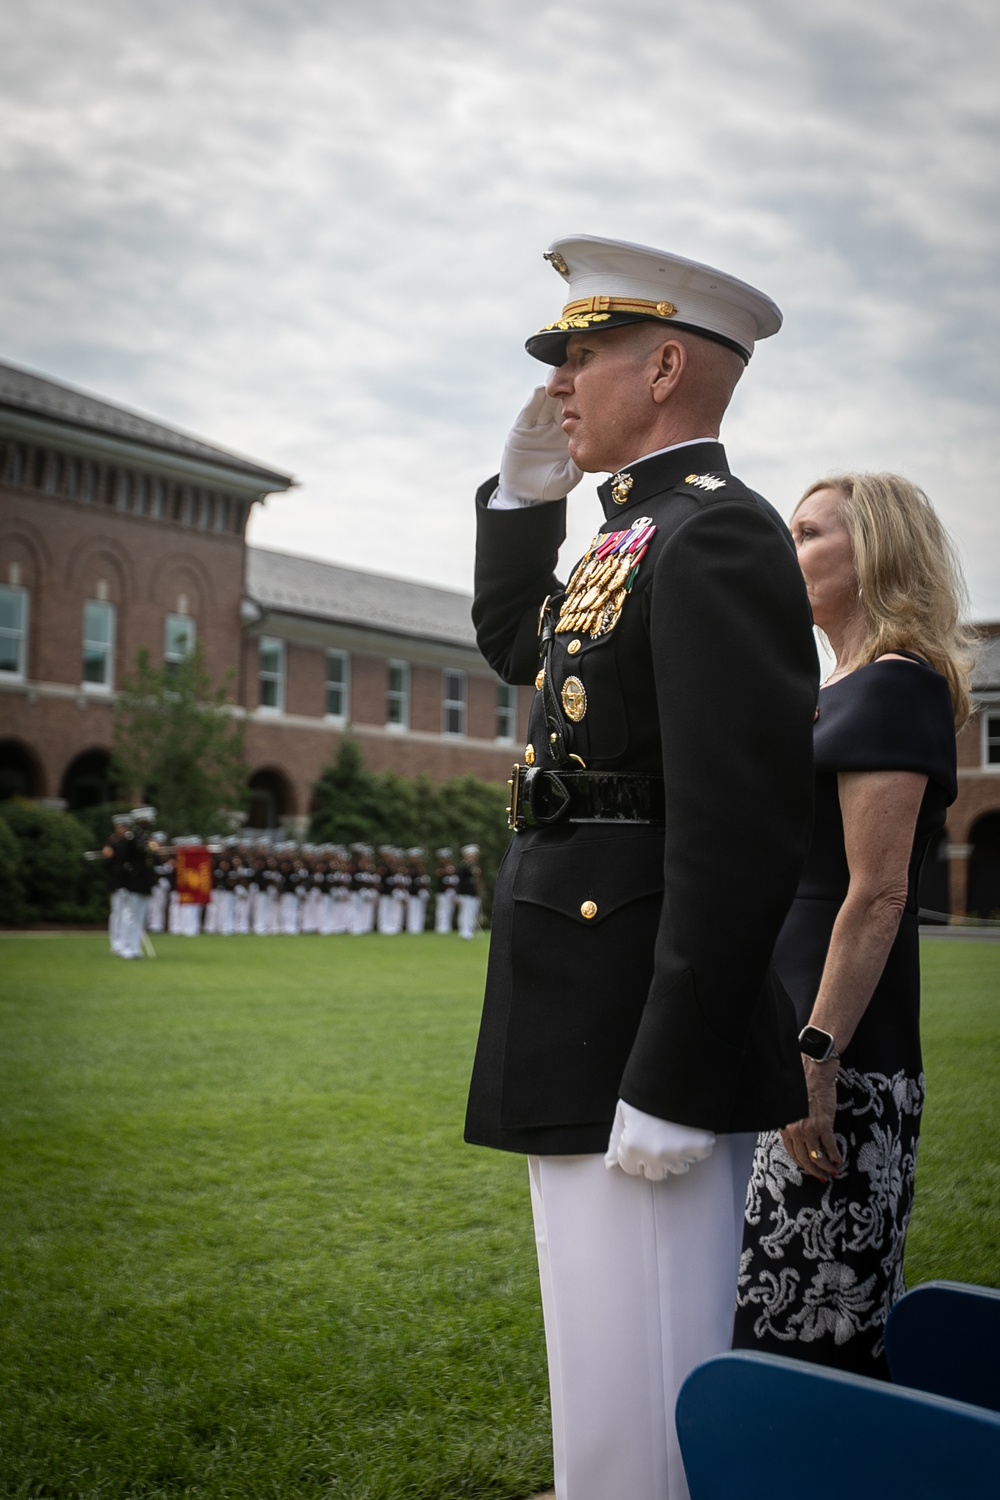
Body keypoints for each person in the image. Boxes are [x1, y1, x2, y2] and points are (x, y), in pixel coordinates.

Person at [464, 234, 818, 1500]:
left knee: (651, 1380)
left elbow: (738, 822)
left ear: (664, 365)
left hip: (638, 1025)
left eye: (581, 355)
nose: (558, 382)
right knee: (597, 1368)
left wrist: (672, 1071)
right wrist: (521, 498)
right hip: (579, 994)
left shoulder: (717, 536)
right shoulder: (625, 535)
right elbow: (517, 641)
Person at [733, 473, 971, 1378]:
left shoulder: (896, 688)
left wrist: (816, 1058)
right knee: (771, 1315)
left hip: (841, 1063)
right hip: (787, 1044)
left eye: (806, 534)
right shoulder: (834, 689)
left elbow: (877, 894)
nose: (785, 553)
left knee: (811, 1338)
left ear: (871, 553)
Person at [455, 844, 482, 940]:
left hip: (472, 894)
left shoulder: (473, 866)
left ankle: (469, 931)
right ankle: (464, 932)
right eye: (471, 855)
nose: (474, 857)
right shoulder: (464, 866)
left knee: (472, 913)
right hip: (465, 894)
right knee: (465, 913)